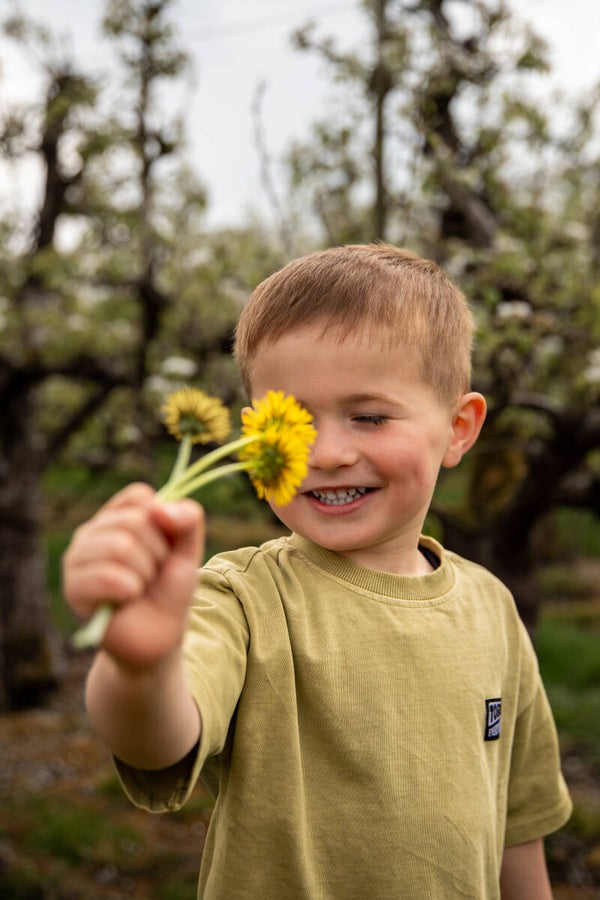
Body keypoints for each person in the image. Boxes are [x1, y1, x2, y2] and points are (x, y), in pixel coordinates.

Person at [63, 244, 572, 899]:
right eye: (293, 421)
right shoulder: (242, 598)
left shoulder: (492, 609)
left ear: (457, 428)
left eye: (369, 416)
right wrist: (139, 665)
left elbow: (517, 827)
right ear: (252, 436)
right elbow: (157, 739)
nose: (326, 454)